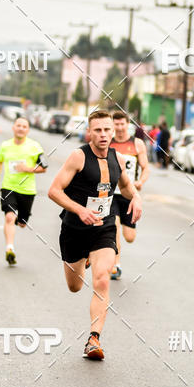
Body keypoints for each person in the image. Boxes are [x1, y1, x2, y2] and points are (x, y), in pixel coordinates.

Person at [48, 109, 142, 360]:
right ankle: (84, 258)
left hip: (104, 226)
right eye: (97, 130)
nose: (102, 134)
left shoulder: (118, 159)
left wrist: (137, 197)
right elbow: (54, 191)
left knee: (102, 279)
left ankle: (93, 339)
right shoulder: (78, 156)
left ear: (114, 131)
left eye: (107, 130)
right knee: (75, 286)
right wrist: (80, 211)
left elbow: (124, 185)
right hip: (74, 228)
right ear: (90, 132)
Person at [0, 116, 47, 265]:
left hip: (27, 190)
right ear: (13, 127)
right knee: (9, 217)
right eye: (18, 125)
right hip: (8, 187)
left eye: (24, 126)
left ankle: (21, 219)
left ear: (28, 130)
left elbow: (44, 168)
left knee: (22, 223)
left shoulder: (35, 147)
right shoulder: (5, 145)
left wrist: (27, 169)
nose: (21, 128)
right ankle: (9, 248)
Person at [109, 110, 149, 279]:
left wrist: (140, 182)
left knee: (130, 237)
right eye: (116, 124)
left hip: (129, 194)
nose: (119, 127)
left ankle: (116, 260)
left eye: (122, 124)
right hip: (111, 194)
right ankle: (115, 265)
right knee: (114, 227)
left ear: (127, 124)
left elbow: (146, 167)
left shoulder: (137, 144)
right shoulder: (108, 143)